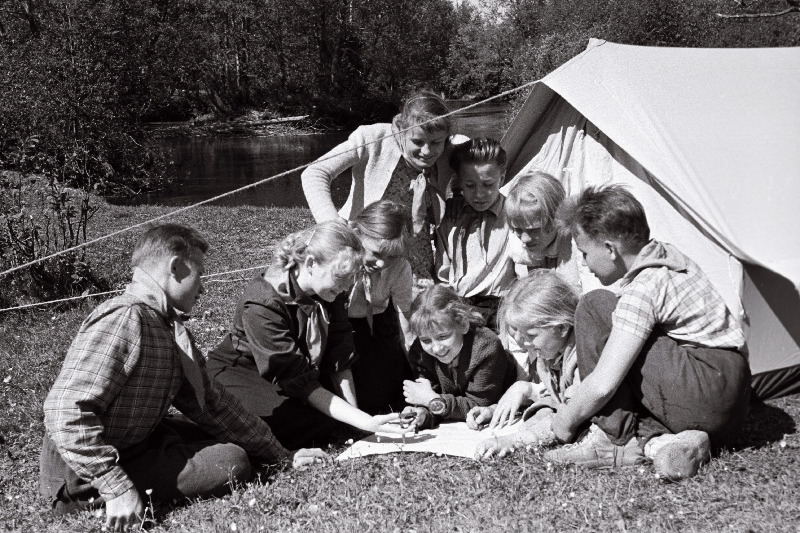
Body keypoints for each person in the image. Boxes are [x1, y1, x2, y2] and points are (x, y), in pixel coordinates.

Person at [41, 223, 327, 531]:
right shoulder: (126, 318)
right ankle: (101, 492)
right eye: (199, 273)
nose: (203, 286)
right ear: (176, 267)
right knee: (231, 460)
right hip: (79, 475)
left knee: (222, 438)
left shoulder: (166, 325)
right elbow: (65, 413)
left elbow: (215, 406)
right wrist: (116, 487)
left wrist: (282, 456)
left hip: (135, 440)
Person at [545, 185, 751, 480]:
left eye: (585, 253)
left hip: (705, 386)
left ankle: (610, 440)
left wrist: (565, 421)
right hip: (734, 402)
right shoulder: (669, 257)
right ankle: (675, 441)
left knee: (595, 306)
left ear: (609, 249)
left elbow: (604, 383)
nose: (586, 266)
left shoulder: (643, 288)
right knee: (621, 330)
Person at [207, 221, 407, 450]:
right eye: (341, 277)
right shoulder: (263, 303)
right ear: (311, 263)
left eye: (351, 278)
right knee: (296, 423)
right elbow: (295, 377)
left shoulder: (329, 291)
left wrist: (357, 415)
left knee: (365, 398)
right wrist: (365, 421)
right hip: (244, 371)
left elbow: (339, 351)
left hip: (300, 366)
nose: (346, 287)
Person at [301, 90, 467, 283]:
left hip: (414, 254)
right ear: (401, 129)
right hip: (367, 251)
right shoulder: (374, 138)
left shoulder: (448, 153)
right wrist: (332, 224)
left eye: (435, 142)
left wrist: (457, 194)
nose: (427, 151)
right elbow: (315, 173)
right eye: (417, 142)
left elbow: (477, 161)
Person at [467, 271, 581, 459]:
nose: (521, 342)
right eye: (516, 333)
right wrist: (494, 410)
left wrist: (515, 440)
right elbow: (552, 398)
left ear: (561, 327)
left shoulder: (580, 356)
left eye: (531, 335)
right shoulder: (550, 354)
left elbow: (570, 414)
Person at [402, 284, 515, 430]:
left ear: (463, 324)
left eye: (443, 336)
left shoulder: (486, 346)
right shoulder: (420, 352)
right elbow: (429, 395)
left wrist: (432, 400)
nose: (436, 348)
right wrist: (422, 413)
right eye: (426, 340)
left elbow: (480, 404)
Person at [435, 138, 515, 330]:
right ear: (459, 182)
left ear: (501, 180)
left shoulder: (513, 213)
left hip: (502, 306)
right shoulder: (450, 217)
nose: (479, 194)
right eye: (470, 186)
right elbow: (443, 271)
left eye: (488, 185)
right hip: (461, 306)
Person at [347, 200, 415, 414]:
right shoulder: (342, 259)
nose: (382, 264)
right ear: (357, 233)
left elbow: (406, 321)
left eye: (392, 256)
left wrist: (418, 369)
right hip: (341, 326)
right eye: (376, 253)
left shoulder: (400, 268)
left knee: (388, 393)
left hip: (378, 323)